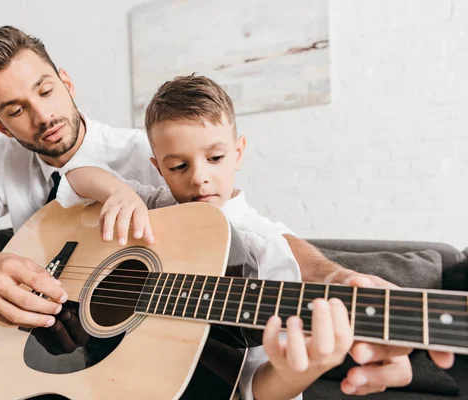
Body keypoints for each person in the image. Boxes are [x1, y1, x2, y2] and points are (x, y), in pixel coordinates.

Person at [0, 26, 451, 400]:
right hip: (5, 315)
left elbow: (251, 232)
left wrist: (337, 279)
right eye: (16, 109)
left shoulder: (158, 157)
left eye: (45, 90)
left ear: (65, 81)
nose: (40, 115)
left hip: (90, 360)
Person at [64, 74, 355, 399]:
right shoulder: (153, 205)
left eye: (215, 158)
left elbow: (252, 385)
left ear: (238, 152)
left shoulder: (261, 248)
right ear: (158, 168)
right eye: (178, 167)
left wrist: (293, 374)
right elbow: (77, 171)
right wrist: (121, 193)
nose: (199, 178)